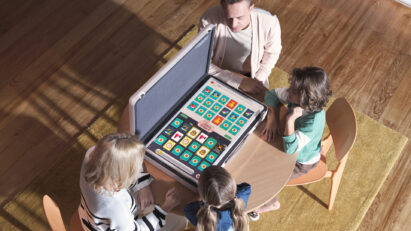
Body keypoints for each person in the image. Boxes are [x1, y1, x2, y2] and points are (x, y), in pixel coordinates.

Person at [250, 66, 332, 219]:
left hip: (301, 162)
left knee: (268, 176)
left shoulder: (313, 121)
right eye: (291, 86)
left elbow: (290, 150)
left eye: (293, 91)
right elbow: (271, 95)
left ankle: (271, 203)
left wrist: (290, 119)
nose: (288, 91)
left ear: (310, 99)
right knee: (257, 152)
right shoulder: (295, 96)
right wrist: (272, 118)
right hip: (290, 145)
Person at [78, 133, 181, 231]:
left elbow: (125, 162)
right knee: (180, 220)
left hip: (93, 217)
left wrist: (143, 186)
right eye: (135, 168)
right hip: (120, 223)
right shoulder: (115, 207)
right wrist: (166, 207)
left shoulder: (93, 154)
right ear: (122, 176)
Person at [199, 0, 282, 94]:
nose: (234, 24)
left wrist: (257, 80)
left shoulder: (269, 22)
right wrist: (238, 82)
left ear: (251, 8)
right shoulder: (208, 20)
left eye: (239, 17)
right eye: (229, 17)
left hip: (254, 78)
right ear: (222, 7)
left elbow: (272, 53)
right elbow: (203, 63)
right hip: (218, 76)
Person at [184, 166, 251, 231]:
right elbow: (246, 187)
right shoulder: (243, 193)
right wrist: (226, 190)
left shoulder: (195, 213)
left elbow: (188, 207)